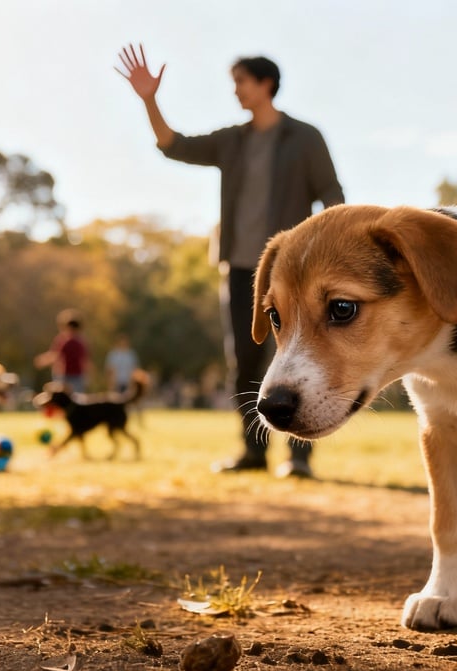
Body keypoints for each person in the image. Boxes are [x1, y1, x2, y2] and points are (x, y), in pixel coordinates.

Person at [116, 44, 344, 479]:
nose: (235, 90)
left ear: (265, 84)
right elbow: (173, 145)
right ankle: (253, 452)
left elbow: (332, 194)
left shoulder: (305, 138)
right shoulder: (232, 141)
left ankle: (299, 457)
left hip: (293, 270)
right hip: (241, 268)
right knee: (243, 358)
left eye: (241, 81)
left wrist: (333, 254)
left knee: (301, 357)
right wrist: (149, 99)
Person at [35, 308, 91, 393]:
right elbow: (85, 361)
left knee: (62, 401)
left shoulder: (64, 340)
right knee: (77, 400)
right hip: (78, 377)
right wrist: (87, 377)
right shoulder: (82, 342)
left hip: (64, 377)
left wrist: (42, 361)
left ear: (68, 327)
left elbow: (55, 355)